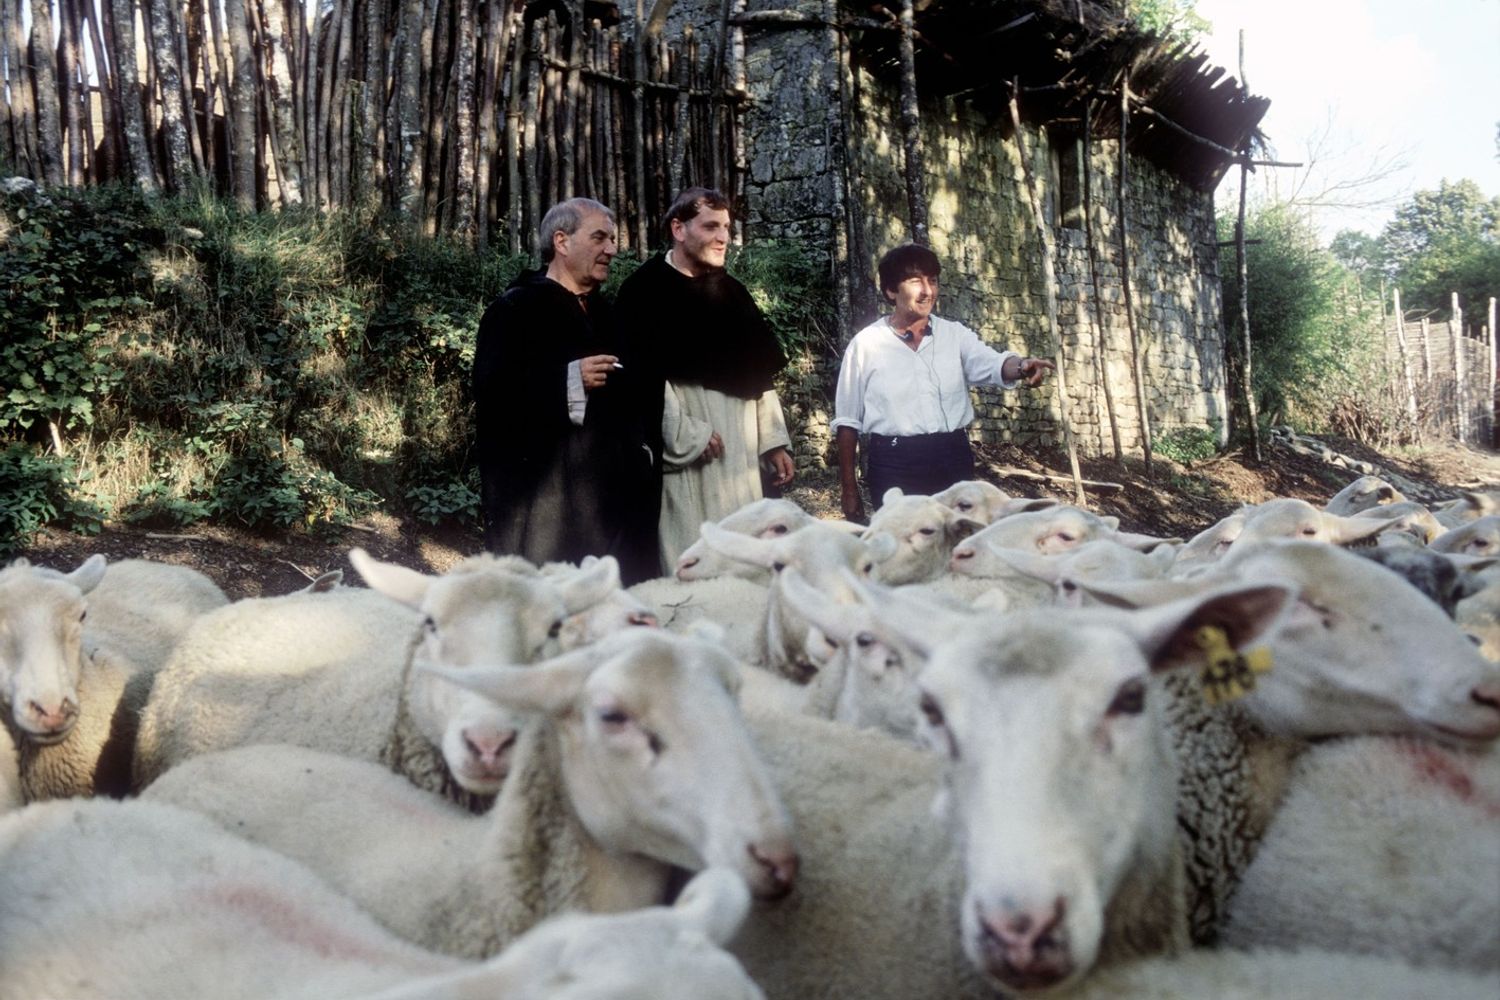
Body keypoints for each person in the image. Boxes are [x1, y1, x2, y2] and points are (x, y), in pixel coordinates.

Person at [471, 197, 658, 583]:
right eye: (600, 238)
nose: (612, 249)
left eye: (612, 239)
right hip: (547, 505)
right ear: (562, 241)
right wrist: (569, 379)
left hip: (611, 501)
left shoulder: (608, 314)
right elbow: (493, 396)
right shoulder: (515, 309)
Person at [615, 187, 796, 571]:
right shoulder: (643, 292)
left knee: (743, 559)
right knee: (689, 558)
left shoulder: (733, 293)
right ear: (679, 229)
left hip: (740, 454)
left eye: (726, 227)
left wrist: (773, 441)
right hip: (688, 458)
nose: (723, 237)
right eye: (711, 226)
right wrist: (686, 433)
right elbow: (640, 379)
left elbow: (759, 374)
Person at [831, 243, 1055, 522]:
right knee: (905, 550)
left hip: (952, 458)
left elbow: (993, 363)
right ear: (891, 290)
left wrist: (1022, 366)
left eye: (933, 281)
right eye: (916, 281)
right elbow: (847, 422)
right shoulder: (866, 345)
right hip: (893, 463)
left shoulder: (954, 335)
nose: (928, 291)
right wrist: (849, 490)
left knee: (957, 543)